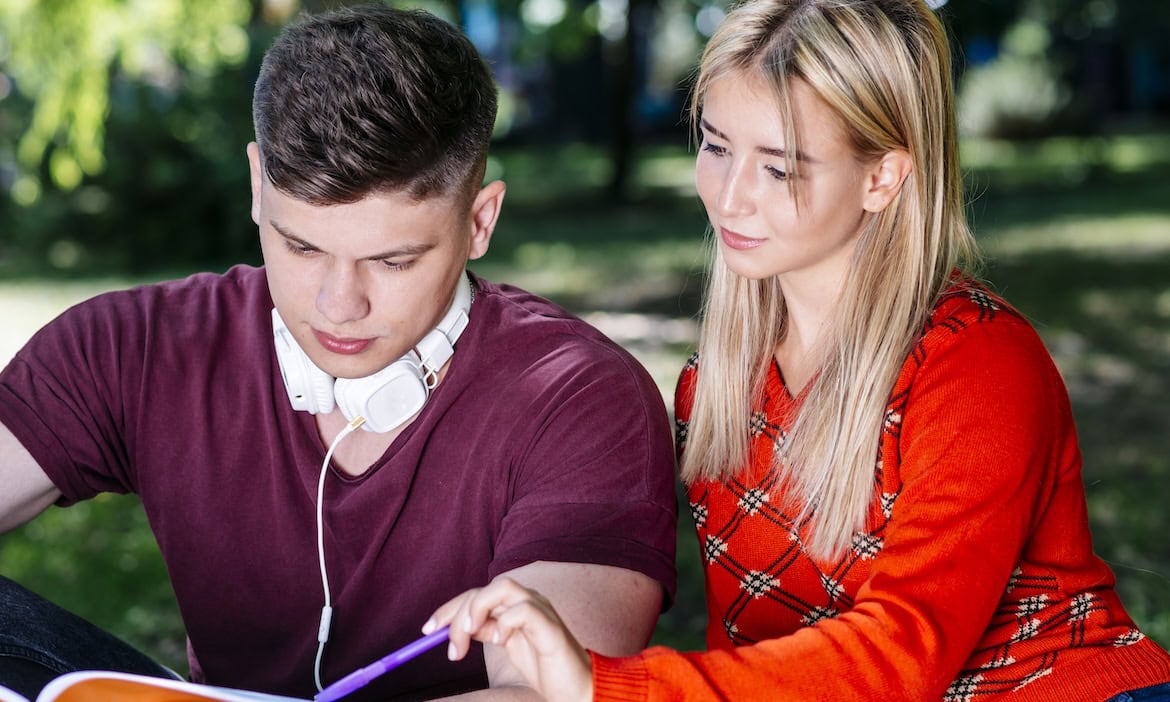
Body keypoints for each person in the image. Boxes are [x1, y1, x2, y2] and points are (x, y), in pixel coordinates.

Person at [427, 0, 1170, 699]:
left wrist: (606, 687)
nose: (729, 196)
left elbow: (903, 652)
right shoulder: (717, 385)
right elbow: (757, 652)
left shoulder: (979, 363)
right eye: (716, 147)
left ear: (882, 176)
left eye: (778, 167)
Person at [0, 5, 679, 701]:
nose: (338, 305)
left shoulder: (582, 397)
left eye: (392, 261)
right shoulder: (133, 348)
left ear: (480, 221)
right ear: (259, 185)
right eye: (302, 248)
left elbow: (545, 694)